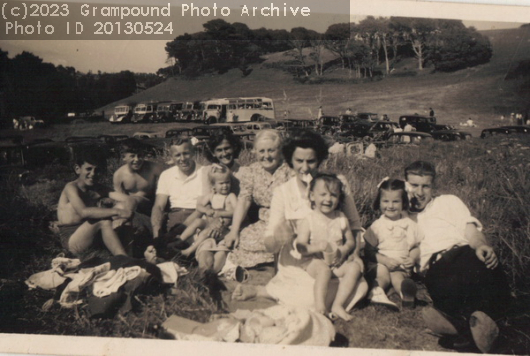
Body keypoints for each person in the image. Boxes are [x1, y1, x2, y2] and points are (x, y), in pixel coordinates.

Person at [232, 130, 368, 315]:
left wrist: (355, 253)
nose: (305, 168)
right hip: (300, 261)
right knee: (309, 298)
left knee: (359, 284)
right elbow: (270, 242)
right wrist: (280, 237)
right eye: (299, 161)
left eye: (310, 161)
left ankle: (274, 292)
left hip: (336, 258)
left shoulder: (337, 184)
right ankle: (263, 291)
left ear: (319, 160)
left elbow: (353, 224)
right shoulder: (283, 192)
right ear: (290, 161)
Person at [405, 161, 510, 353]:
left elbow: (470, 229)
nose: (419, 192)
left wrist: (481, 245)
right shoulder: (403, 218)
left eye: (425, 186)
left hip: (465, 254)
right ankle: (477, 330)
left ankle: (462, 328)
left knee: (482, 267)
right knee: (451, 286)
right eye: (414, 185)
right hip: (437, 268)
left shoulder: (448, 201)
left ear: (432, 186)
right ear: (405, 184)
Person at [293, 173, 363, 320]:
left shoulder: (341, 218)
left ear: (339, 198)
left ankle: (338, 305)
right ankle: (320, 307)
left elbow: (350, 241)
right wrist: (317, 247)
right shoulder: (309, 220)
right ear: (312, 196)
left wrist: (343, 250)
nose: (327, 199)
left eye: (333, 195)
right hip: (314, 262)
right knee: (324, 270)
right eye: (322, 194)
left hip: (336, 262)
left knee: (354, 268)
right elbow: (300, 247)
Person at [223, 129, 292, 268]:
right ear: (254, 151)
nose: (266, 156)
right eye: (261, 151)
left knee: (281, 241)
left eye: (271, 150)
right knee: (243, 238)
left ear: (279, 150)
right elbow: (244, 200)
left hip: (288, 221)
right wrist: (234, 231)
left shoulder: (289, 170)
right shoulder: (251, 171)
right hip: (265, 222)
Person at [57, 150, 134, 258]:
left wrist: (124, 218)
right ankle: (123, 258)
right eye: (88, 169)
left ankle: (130, 255)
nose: (93, 174)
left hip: (92, 236)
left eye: (97, 170)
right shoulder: (71, 187)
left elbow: (129, 200)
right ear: (77, 169)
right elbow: (83, 212)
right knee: (104, 221)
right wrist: (118, 212)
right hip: (73, 240)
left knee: (124, 216)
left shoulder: (98, 188)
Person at [364, 178, 423, 310]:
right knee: (382, 275)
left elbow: (415, 247)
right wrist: (385, 260)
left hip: (401, 266)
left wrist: (412, 258)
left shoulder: (409, 225)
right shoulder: (377, 226)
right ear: (379, 202)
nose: (390, 206)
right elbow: (369, 252)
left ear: (404, 203)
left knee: (398, 278)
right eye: (386, 201)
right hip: (381, 264)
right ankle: (376, 291)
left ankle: (406, 295)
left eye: (395, 201)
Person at [177, 165, 237, 276]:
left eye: (227, 182)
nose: (225, 186)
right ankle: (180, 240)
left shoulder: (230, 196)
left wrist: (220, 213)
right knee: (197, 222)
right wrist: (206, 210)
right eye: (221, 183)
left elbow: (237, 211)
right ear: (213, 185)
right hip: (210, 223)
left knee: (205, 232)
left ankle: (190, 250)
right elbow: (198, 206)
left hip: (225, 228)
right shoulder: (211, 196)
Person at [151, 138, 210, 246]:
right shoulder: (166, 175)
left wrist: (176, 232)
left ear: (193, 152)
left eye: (186, 153)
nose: (182, 159)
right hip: (174, 218)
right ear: (172, 157)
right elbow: (159, 206)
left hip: (196, 219)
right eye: (177, 155)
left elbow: (202, 208)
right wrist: (157, 235)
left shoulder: (204, 172)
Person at [113, 138, 164, 215]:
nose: (136, 159)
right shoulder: (119, 175)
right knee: (119, 208)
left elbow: (169, 186)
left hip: (150, 206)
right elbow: (118, 197)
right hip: (130, 207)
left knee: (134, 200)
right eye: (132, 156)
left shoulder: (154, 168)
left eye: (140, 155)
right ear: (124, 157)